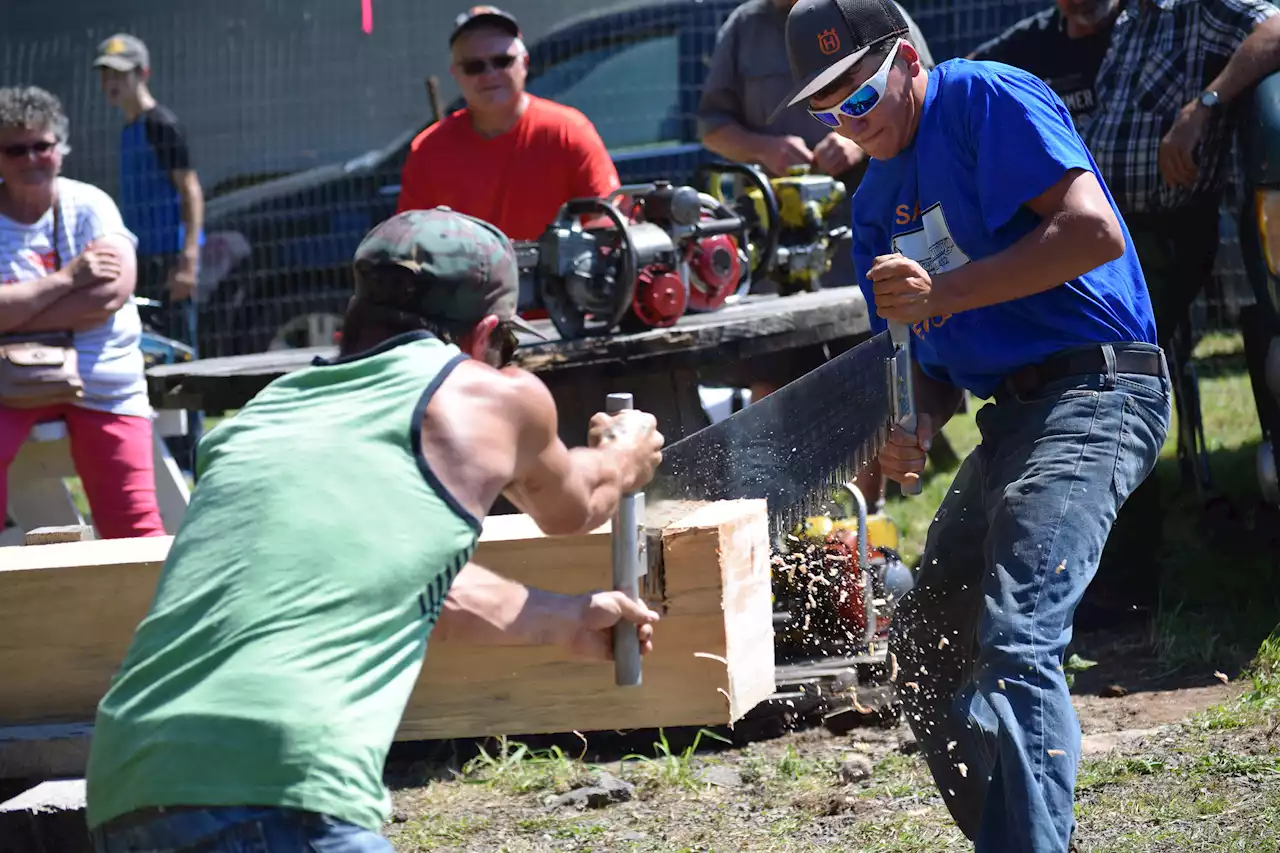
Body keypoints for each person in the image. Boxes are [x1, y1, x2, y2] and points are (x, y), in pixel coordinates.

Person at [83, 207, 665, 853]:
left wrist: (563, 618)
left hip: (127, 780)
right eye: (505, 349)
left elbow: (390, 578)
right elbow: (575, 506)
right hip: (278, 785)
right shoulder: (489, 394)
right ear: (488, 332)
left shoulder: (266, 412)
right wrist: (621, 455)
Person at [773, 0, 1172, 851]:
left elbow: (1094, 233)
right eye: (827, 106)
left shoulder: (986, 97)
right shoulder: (876, 207)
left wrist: (943, 292)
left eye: (862, 92)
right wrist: (908, 420)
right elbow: (924, 362)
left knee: (1016, 635)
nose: (852, 118)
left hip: (1097, 391)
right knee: (924, 645)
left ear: (909, 61)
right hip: (1013, 420)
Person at [968, 0, 1280, 624]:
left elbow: (1277, 26)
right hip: (1096, 235)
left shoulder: (1191, 11)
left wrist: (1206, 105)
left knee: (1104, 375)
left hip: (1162, 232)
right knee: (1048, 365)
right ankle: (1071, 567)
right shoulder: (1077, 35)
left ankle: (1122, 586)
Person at [698, 0, 934, 513]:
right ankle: (775, 515)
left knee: (867, 365)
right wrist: (765, 148)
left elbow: (921, 83)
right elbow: (711, 124)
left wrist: (855, 136)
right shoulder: (743, 26)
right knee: (777, 371)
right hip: (781, 238)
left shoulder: (860, 9)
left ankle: (860, 524)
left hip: (862, 221)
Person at [0, 85, 166, 540]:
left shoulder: (90, 205)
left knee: (135, 529)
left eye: (43, 146)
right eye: (16, 149)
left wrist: (14, 313)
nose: (32, 158)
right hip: (6, 386)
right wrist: (67, 279)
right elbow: (87, 294)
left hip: (104, 381)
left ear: (60, 148)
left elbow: (110, 296)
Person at [395, 6, 621, 243]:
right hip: (467, 280)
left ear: (524, 63)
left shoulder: (567, 131)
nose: (490, 74)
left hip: (552, 277)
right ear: (455, 73)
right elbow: (410, 242)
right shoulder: (428, 150)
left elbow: (607, 223)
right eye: (474, 66)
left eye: (502, 61)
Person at [94, 32, 207, 471]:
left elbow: (190, 190)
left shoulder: (161, 124)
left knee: (182, 360)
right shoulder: (128, 131)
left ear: (143, 74)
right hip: (141, 266)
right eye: (105, 75)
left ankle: (190, 459)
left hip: (170, 263)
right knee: (150, 359)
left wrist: (188, 259)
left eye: (119, 74)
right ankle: (163, 459)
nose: (111, 84)